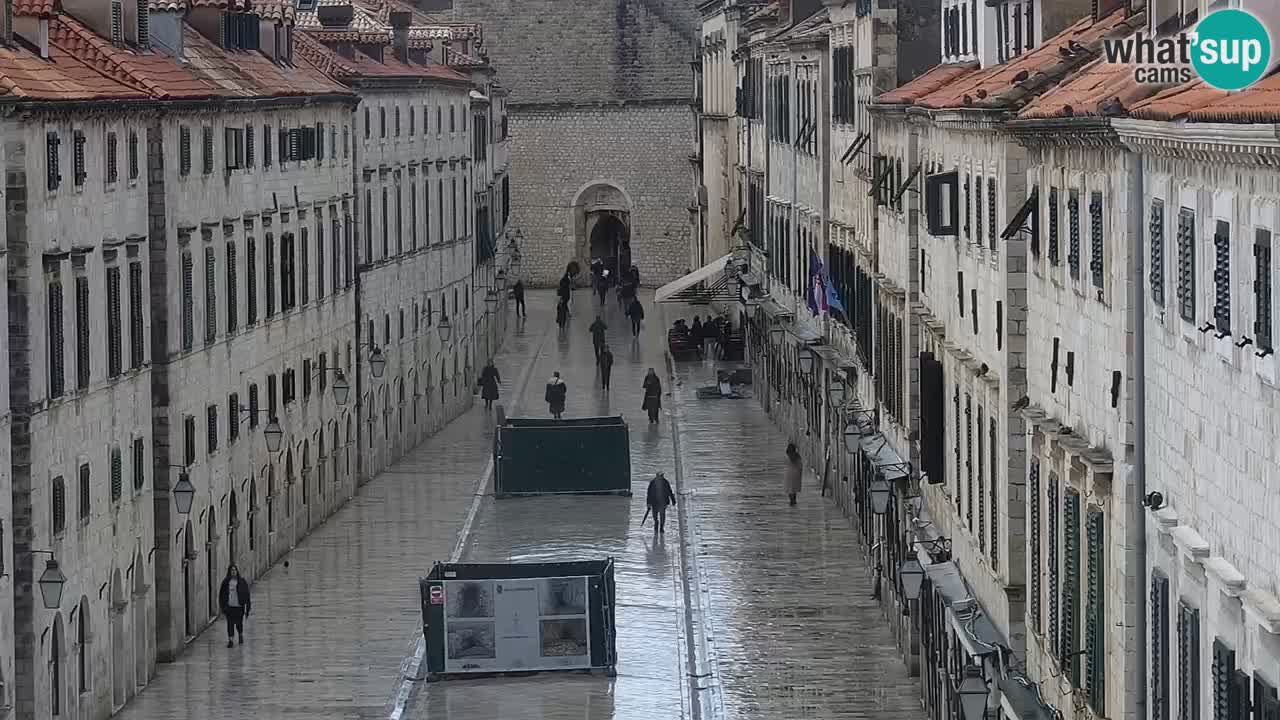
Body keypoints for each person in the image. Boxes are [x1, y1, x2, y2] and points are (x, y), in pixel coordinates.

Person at [218, 564, 251, 648]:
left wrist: (248, 608)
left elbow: (247, 595)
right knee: (230, 624)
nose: (233, 572)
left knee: (239, 624)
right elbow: (221, 595)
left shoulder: (242, 581)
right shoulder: (226, 582)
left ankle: (240, 634)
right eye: (232, 570)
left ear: (237, 571)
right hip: (229, 607)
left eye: (234, 570)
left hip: (239, 607)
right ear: (229, 572)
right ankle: (231, 640)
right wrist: (222, 607)